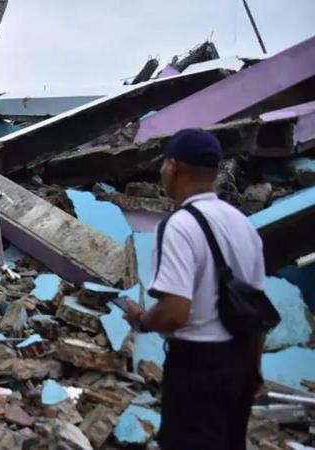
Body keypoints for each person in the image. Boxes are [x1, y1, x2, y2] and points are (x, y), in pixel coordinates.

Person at [124, 129, 265, 450]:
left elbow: (175, 313)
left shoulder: (179, 226)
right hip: (240, 363)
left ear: (174, 167)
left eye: (163, 165)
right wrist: (254, 370)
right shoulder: (243, 224)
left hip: (198, 367)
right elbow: (257, 313)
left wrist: (142, 320)